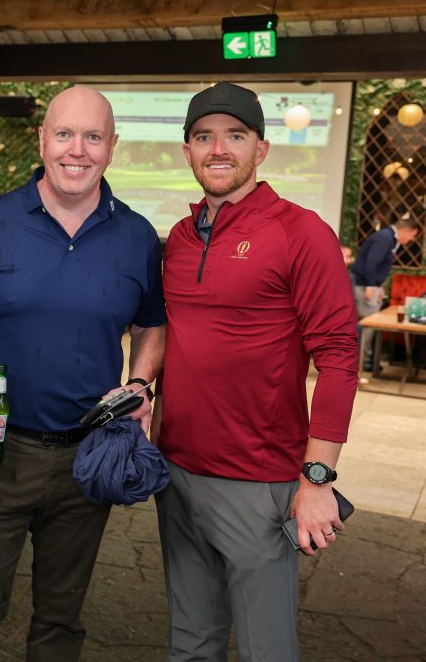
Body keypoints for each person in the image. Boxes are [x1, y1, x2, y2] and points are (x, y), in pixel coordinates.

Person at [0, 85, 166, 661]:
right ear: (42, 140)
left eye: (93, 137)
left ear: (113, 146)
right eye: (64, 134)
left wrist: (140, 384)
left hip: (89, 458)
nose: (78, 150)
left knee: (60, 626)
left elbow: (151, 325)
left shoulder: (138, 236)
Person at [154, 82, 359, 661]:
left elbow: (340, 356)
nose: (218, 149)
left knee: (267, 650)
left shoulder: (301, 232)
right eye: (203, 137)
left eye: (235, 135)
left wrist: (317, 479)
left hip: (258, 482)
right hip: (177, 473)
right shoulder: (179, 239)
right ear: (187, 151)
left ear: (261, 149)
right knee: (191, 644)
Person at [351, 216, 422, 368]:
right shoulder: (385, 238)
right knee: (369, 323)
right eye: (411, 236)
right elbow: (371, 263)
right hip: (364, 285)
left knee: (368, 323)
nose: (411, 240)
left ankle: (365, 361)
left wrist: (380, 285)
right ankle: (362, 362)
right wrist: (371, 286)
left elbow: (379, 265)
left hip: (370, 285)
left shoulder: (388, 238)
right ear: (405, 231)